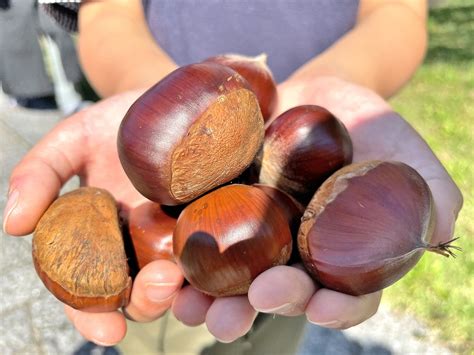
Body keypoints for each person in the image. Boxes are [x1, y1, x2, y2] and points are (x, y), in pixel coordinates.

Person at [3, 0, 463, 353]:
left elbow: (398, 10)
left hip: (268, 249)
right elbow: (104, 9)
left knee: (276, 320)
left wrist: (338, 79)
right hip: (180, 270)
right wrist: (137, 81)